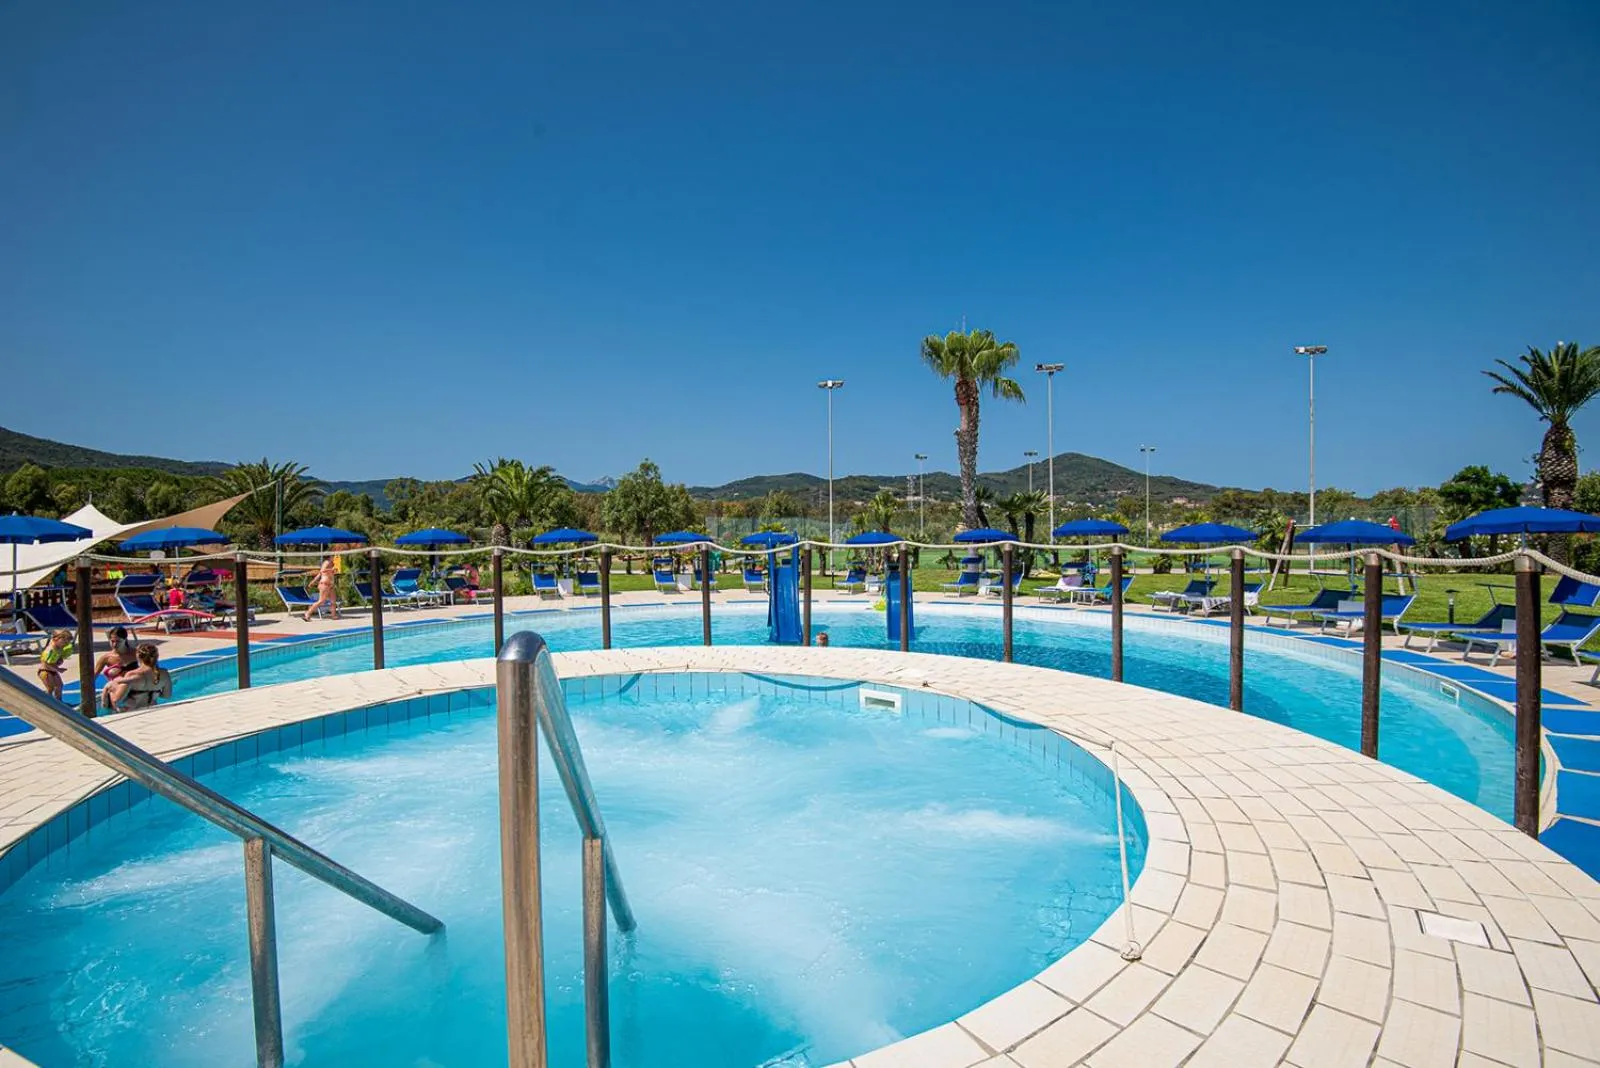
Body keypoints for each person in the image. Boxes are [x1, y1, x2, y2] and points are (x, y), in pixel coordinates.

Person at [103, 643, 172, 712]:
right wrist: (153, 692)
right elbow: (167, 695)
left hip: (134, 712)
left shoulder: (132, 674)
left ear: (138, 656)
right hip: (154, 710)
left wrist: (109, 687)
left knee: (108, 686)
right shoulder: (164, 674)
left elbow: (116, 700)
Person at [36, 630, 74, 701]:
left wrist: (60, 659)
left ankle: (59, 702)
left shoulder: (59, 647)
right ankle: (45, 702)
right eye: (64, 642)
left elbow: (56, 660)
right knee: (50, 689)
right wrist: (58, 669)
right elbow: (46, 663)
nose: (65, 644)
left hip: (53, 670)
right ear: (56, 639)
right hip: (45, 671)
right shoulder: (51, 650)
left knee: (59, 686)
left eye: (67, 643)